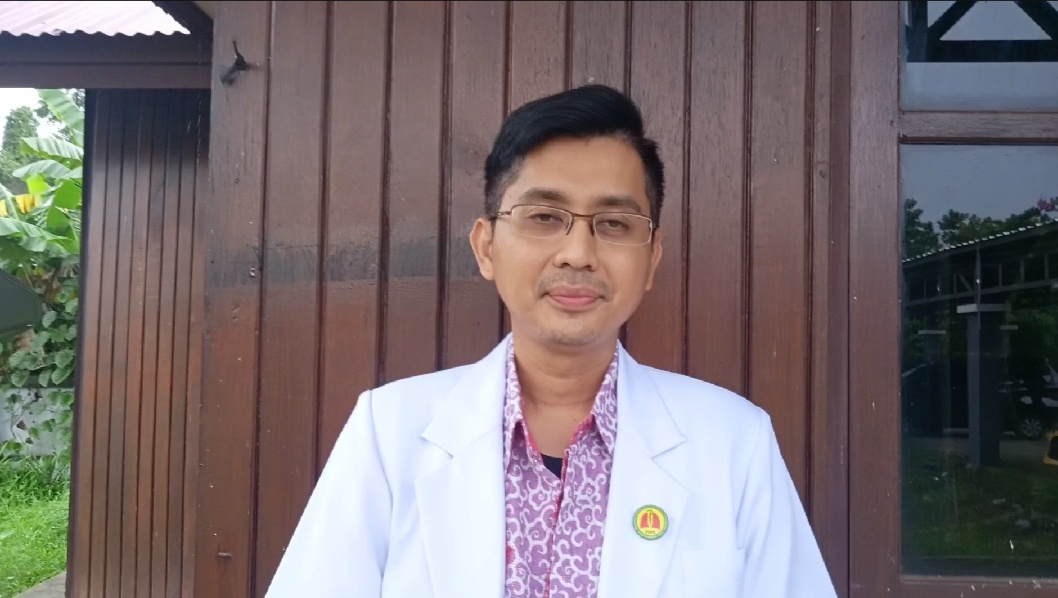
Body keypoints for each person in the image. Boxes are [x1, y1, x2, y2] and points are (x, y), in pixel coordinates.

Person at [264, 84, 838, 598]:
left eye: (614, 224)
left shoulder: (733, 443)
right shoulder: (390, 434)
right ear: (486, 247)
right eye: (544, 217)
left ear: (652, 260)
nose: (578, 253)